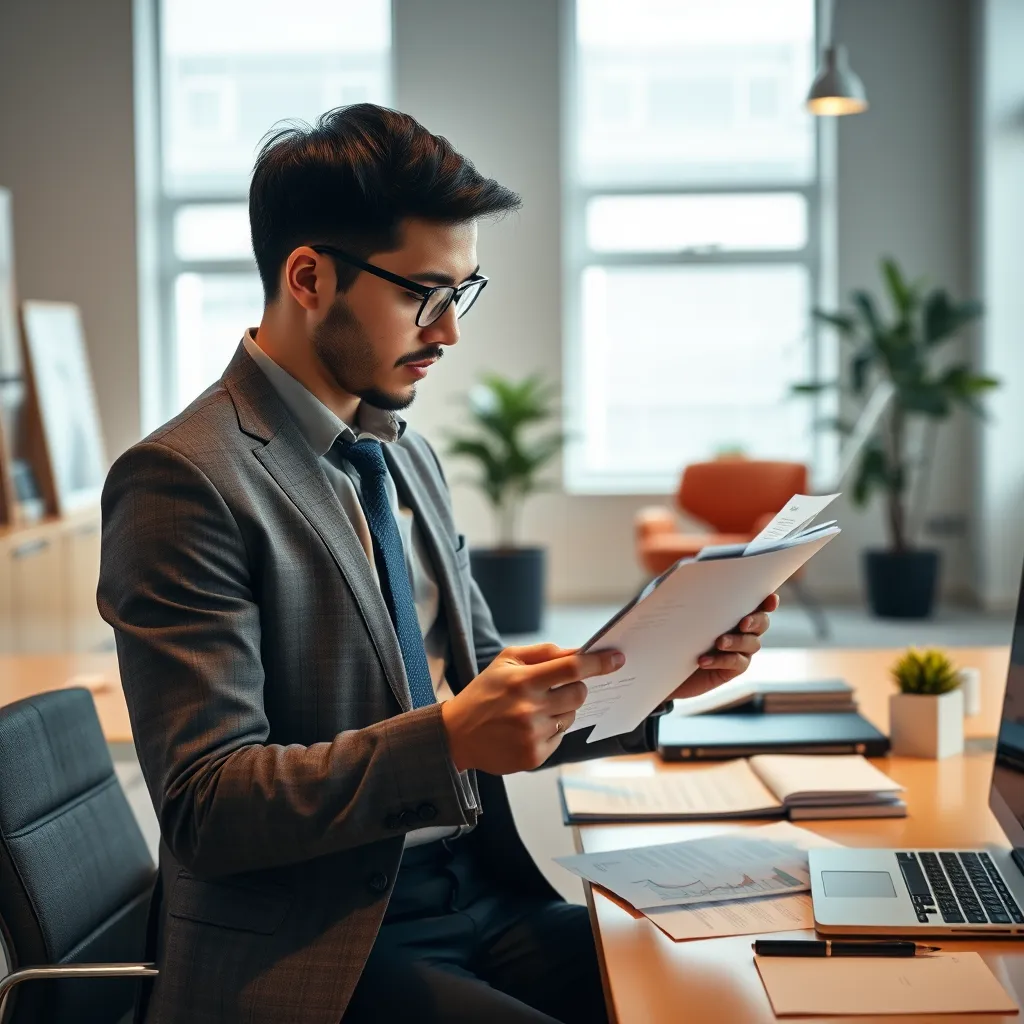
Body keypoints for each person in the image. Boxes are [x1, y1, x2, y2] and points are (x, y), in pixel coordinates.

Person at [98, 104, 778, 1024]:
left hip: (480, 891)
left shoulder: (401, 455)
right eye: (426, 292)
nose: (450, 331)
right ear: (309, 276)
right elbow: (206, 807)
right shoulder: (182, 480)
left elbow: (494, 687)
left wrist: (658, 678)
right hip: (320, 942)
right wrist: (449, 737)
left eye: (464, 292)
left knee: (724, 993)